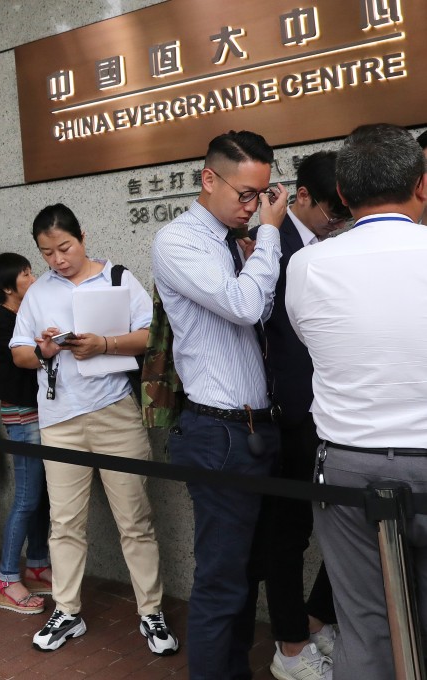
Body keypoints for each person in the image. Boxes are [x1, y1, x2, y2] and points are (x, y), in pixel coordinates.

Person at [286, 123, 427, 680]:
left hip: (346, 468)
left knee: (364, 627)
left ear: (342, 194)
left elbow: (312, 338)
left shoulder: (308, 265)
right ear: (421, 184)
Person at [152, 130, 289, 678]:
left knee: (246, 573)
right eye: (246, 194)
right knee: (220, 582)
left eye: (261, 195)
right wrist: (272, 236)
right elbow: (243, 304)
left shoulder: (236, 242)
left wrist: (259, 244)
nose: (253, 206)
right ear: (209, 178)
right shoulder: (178, 241)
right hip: (218, 433)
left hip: (258, 429)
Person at [11, 204, 178, 655]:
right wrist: (45, 350)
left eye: (64, 247)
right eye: (47, 253)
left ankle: (151, 610)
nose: (58, 259)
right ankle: (67, 610)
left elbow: (153, 334)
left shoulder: (119, 278)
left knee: (135, 520)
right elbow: (19, 353)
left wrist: (104, 344)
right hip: (60, 421)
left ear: (82, 236)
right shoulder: (39, 292)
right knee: (64, 523)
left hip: (115, 414)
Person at [250, 151, 345, 679]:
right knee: (285, 537)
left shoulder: (325, 244)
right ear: (301, 196)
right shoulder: (270, 243)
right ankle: (289, 649)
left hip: (329, 411)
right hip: (287, 415)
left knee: (341, 527)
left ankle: (313, 621)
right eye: (332, 213)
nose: (338, 224)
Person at [0, 252, 49, 615]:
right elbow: (17, 376)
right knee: (26, 498)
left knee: (41, 498)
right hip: (24, 420)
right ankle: (7, 579)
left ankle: (38, 566)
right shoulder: (5, 322)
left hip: (36, 416)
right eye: (26, 273)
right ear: (9, 288)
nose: (33, 276)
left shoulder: (20, 316)